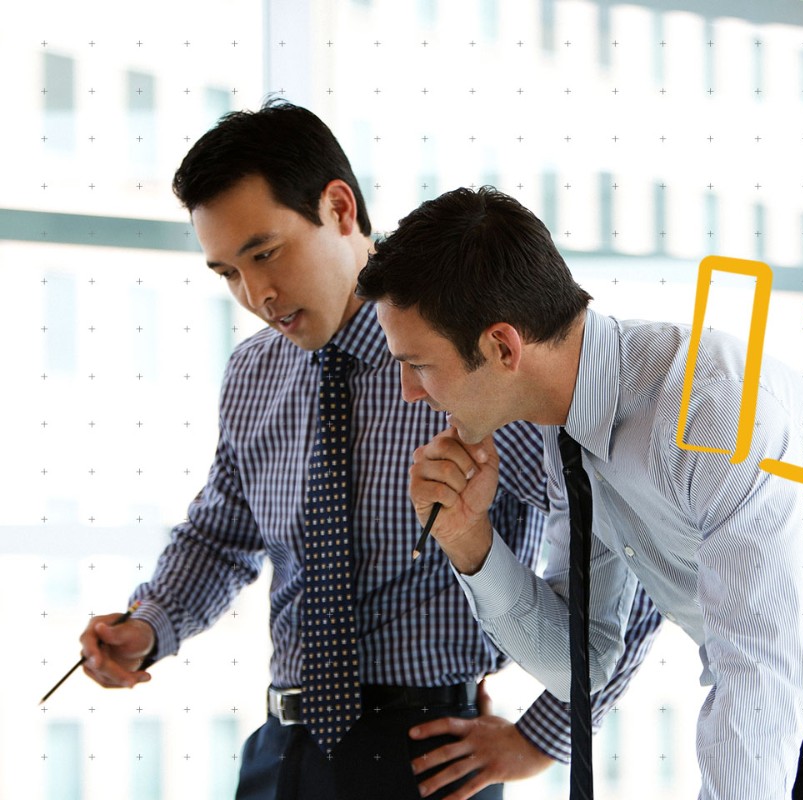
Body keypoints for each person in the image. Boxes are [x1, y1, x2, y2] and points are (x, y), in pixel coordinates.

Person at [75, 101, 660, 800]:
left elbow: (631, 562)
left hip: (425, 758)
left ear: (340, 207)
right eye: (228, 273)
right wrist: (148, 627)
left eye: (265, 253)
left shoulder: (471, 362)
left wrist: (543, 737)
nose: (257, 294)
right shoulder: (255, 373)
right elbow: (222, 533)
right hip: (279, 752)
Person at [356, 185, 803, 799]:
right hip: (792, 754)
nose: (411, 392)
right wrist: (470, 540)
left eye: (419, 364)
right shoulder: (566, 436)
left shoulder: (710, 406)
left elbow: (758, 667)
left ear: (501, 346)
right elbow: (586, 663)